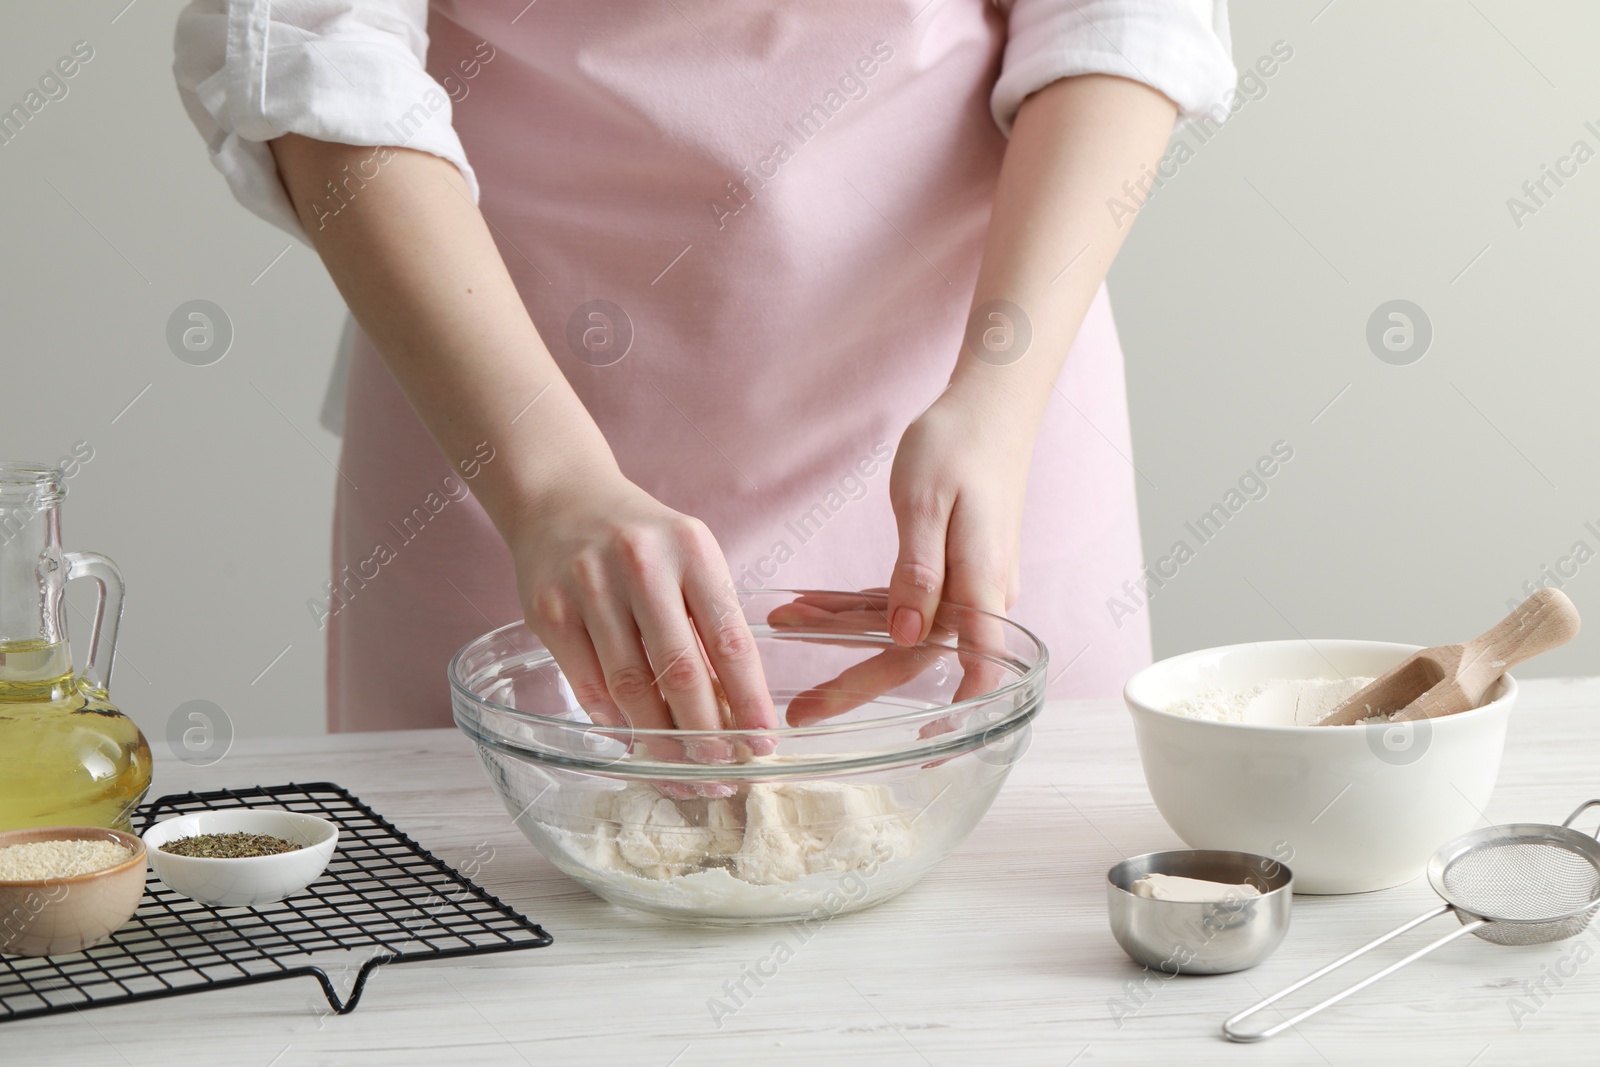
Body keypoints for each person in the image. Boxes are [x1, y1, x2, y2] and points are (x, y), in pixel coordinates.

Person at [173, 0, 1236, 735]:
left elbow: (1124, 17)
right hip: (505, 431)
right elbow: (312, 41)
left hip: (979, 409)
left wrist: (998, 395)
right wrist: (548, 482)